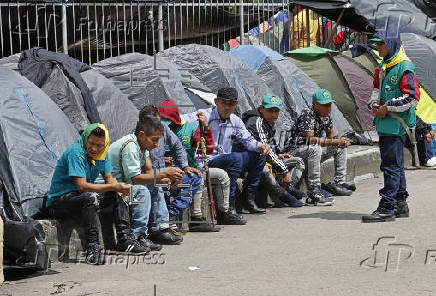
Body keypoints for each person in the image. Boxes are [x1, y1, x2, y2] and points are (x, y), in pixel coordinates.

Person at [46, 124, 148, 265]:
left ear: (105, 145)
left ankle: (125, 240)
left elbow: (109, 178)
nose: (94, 148)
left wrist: (118, 187)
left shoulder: (102, 154)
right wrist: (113, 185)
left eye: (99, 145)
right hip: (60, 202)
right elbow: (81, 186)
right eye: (91, 143)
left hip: (80, 198)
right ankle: (93, 248)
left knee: (119, 192)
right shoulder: (76, 152)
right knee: (91, 197)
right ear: (85, 139)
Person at [362, 27, 420, 222]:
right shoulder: (383, 66)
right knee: (395, 166)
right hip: (385, 124)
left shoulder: (405, 66)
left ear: (392, 44)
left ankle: (387, 207)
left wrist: (387, 107)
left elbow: (412, 98)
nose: (378, 47)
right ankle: (400, 204)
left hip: (396, 125)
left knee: (390, 167)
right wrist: (375, 104)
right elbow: (376, 90)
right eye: (377, 43)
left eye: (381, 43)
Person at [182, 87, 271, 214]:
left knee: (259, 155)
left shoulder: (235, 120)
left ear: (236, 105)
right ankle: (229, 204)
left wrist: (260, 146)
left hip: (223, 158)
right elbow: (177, 120)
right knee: (235, 158)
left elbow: (248, 140)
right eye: (224, 103)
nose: (227, 107)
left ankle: (248, 198)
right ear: (216, 101)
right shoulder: (203, 115)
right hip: (205, 161)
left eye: (231, 104)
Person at [158, 99, 246, 227]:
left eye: (169, 123)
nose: (167, 127)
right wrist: (163, 161)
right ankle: (196, 217)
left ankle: (224, 212)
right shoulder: (157, 129)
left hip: (188, 169)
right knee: (194, 178)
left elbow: (207, 149)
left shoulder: (191, 128)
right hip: (163, 172)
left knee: (220, 176)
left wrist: (205, 127)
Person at [107, 116, 184, 247]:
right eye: (154, 140)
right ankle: (139, 235)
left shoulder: (142, 146)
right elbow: (135, 178)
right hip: (110, 188)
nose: (156, 145)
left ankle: (160, 228)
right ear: (142, 135)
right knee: (141, 191)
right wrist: (165, 173)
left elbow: (149, 173)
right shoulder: (130, 146)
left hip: (125, 185)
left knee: (155, 187)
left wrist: (170, 180)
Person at [283, 89, 353, 206]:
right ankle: (314, 190)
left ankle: (339, 183)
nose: (328, 108)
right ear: (315, 105)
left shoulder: (326, 115)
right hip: (295, 152)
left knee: (339, 147)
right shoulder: (307, 113)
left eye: (329, 104)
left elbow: (332, 135)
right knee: (315, 148)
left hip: (311, 151)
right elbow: (310, 139)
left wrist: (341, 141)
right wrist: (335, 141)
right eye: (325, 105)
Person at [138, 105, 203, 231]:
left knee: (194, 178)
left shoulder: (163, 128)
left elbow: (177, 146)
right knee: (153, 186)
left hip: (164, 177)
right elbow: (141, 172)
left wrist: (185, 166)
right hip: (148, 179)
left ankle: (171, 213)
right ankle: (159, 225)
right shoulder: (136, 137)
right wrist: (163, 175)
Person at [235, 94, 305, 208]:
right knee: (264, 167)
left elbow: (270, 146)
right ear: (262, 109)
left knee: (298, 161)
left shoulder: (269, 121)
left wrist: (278, 154)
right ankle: (283, 195)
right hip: (246, 161)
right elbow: (265, 150)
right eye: (270, 110)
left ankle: (288, 188)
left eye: (276, 111)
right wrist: (285, 171)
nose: (273, 114)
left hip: (260, 156)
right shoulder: (256, 121)